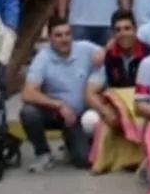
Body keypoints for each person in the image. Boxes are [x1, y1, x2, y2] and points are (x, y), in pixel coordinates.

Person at [19, 15, 102, 171]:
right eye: (58, 35)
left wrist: (104, 52)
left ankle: (72, 146)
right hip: (56, 113)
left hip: (79, 116)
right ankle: (43, 155)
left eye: (67, 34)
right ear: (49, 39)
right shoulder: (43, 57)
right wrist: (59, 105)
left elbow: (110, 48)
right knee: (28, 112)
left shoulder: (85, 48)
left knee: (84, 161)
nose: (64, 39)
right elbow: (27, 93)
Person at [83, 10, 150, 134]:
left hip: (143, 109)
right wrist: (105, 110)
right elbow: (89, 92)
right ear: (113, 33)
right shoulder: (107, 56)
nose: (123, 33)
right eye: (118, 30)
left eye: (127, 28)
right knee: (89, 119)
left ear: (135, 30)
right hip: (117, 112)